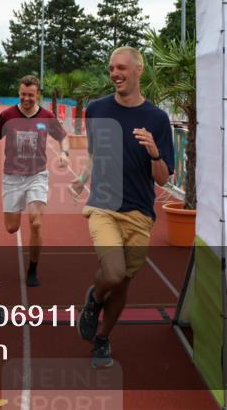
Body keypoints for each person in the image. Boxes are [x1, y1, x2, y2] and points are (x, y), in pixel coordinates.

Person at [69, 47, 174, 369]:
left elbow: (164, 177)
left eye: (122, 68)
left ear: (138, 70)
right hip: (104, 205)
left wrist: (155, 153)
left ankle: (103, 338)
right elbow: (96, 154)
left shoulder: (157, 118)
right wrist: (83, 178)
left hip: (140, 212)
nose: (115, 73)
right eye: (112, 68)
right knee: (112, 272)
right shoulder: (97, 110)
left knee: (124, 283)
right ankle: (94, 299)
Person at [0, 75, 69, 287]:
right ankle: (16, 219)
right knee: (11, 228)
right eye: (22, 94)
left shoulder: (47, 116)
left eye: (30, 94)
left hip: (37, 175)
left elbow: (63, 137)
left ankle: (33, 269)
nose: (26, 98)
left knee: (36, 223)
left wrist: (64, 153)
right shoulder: (8, 115)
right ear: (19, 93)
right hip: (12, 176)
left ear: (38, 94)